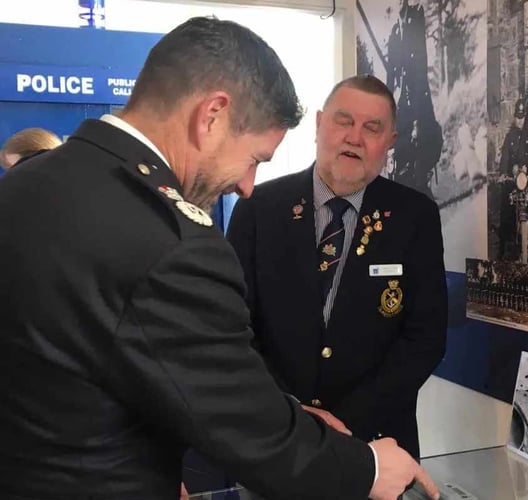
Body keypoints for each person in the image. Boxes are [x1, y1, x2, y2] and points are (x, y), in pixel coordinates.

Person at [0, 18, 439, 500]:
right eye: (254, 158)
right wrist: (369, 468)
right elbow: (242, 416)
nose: (247, 185)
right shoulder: (172, 240)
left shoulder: (25, 186)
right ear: (211, 116)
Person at [227, 75, 448, 462]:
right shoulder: (258, 209)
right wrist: (293, 415)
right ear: (318, 125)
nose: (354, 137)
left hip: (375, 445)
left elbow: (424, 340)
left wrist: (341, 422)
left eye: (372, 127)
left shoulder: (416, 218)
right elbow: (232, 328)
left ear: (390, 143)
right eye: (343, 121)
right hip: (273, 441)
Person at [385, 0, 443, 200]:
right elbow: (391, 75)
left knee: (423, 139)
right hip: (402, 102)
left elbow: (419, 63)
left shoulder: (415, 18)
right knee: (401, 150)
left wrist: (417, 116)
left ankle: (423, 186)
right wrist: (387, 100)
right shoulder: (394, 33)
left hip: (417, 94)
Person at [499, 99, 528, 259]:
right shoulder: (510, 137)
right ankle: (506, 246)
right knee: (506, 209)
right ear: (514, 117)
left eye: (522, 117)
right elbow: (505, 158)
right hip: (515, 180)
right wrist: (503, 173)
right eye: (517, 117)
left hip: (527, 180)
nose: (520, 120)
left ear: (525, 117)